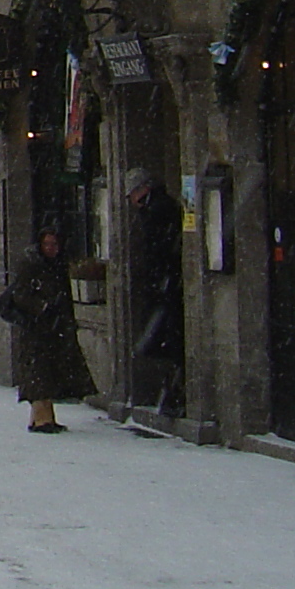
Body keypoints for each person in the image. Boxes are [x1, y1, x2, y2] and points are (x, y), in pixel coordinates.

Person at [1, 225, 97, 432]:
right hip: (36, 328)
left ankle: (42, 418)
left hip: (56, 327)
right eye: (47, 244)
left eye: (54, 244)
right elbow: (20, 294)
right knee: (38, 372)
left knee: (48, 373)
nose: (51, 248)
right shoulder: (31, 264)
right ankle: (41, 419)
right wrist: (42, 307)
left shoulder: (58, 265)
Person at [125, 168, 183, 415]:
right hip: (163, 283)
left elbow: (158, 248)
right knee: (162, 338)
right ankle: (171, 393)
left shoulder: (157, 210)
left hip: (166, 285)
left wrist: (159, 278)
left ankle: (174, 394)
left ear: (143, 189)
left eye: (132, 194)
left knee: (166, 338)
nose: (131, 201)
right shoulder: (156, 208)